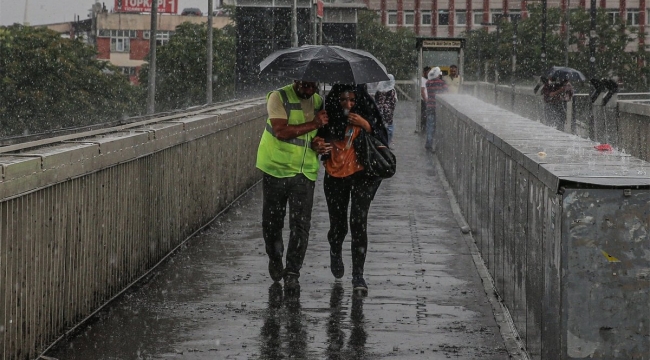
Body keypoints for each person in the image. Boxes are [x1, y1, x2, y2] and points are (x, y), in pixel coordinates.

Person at [256, 80, 331, 292]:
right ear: (296, 81)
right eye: (304, 86)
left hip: (304, 171)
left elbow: (318, 135)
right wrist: (315, 124)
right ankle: (275, 256)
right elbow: (280, 131)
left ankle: (292, 272)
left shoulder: (318, 101)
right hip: (276, 168)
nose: (308, 91)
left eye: (312, 87)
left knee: (300, 225)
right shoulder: (278, 97)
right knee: (272, 222)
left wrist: (318, 141)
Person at [317, 84, 389, 294]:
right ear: (336, 101)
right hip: (335, 176)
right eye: (343, 100)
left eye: (352, 100)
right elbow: (317, 138)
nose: (348, 105)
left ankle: (358, 276)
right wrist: (319, 144)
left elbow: (383, 139)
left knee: (358, 222)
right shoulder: (328, 116)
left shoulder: (367, 113)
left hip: (363, 175)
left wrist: (366, 125)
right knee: (338, 224)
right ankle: (335, 248)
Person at [425, 67, 448, 151]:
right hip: (438, 107)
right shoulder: (442, 83)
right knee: (439, 126)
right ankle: (438, 145)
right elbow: (446, 92)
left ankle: (428, 143)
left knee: (430, 125)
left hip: (430, 106)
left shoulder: (428, 83)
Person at [374, 74, 398, 147]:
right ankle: (387, 143)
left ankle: (380, 142)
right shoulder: (392, 91)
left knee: (380, 127)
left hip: (379, 112)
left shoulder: (379, 91)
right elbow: (394, 102)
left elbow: (376, 100)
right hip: (388, 113)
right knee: (389, 128)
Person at [420, 66, 432, 133]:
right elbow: (422, 91)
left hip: (428, 100)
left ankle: (425, 127)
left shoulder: (428, 80)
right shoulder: (422, 80)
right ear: (424, 72)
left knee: (427, 115)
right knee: (424, 115)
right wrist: (426, 100)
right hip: (425, 100)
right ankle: (423, 128)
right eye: (428, 72)